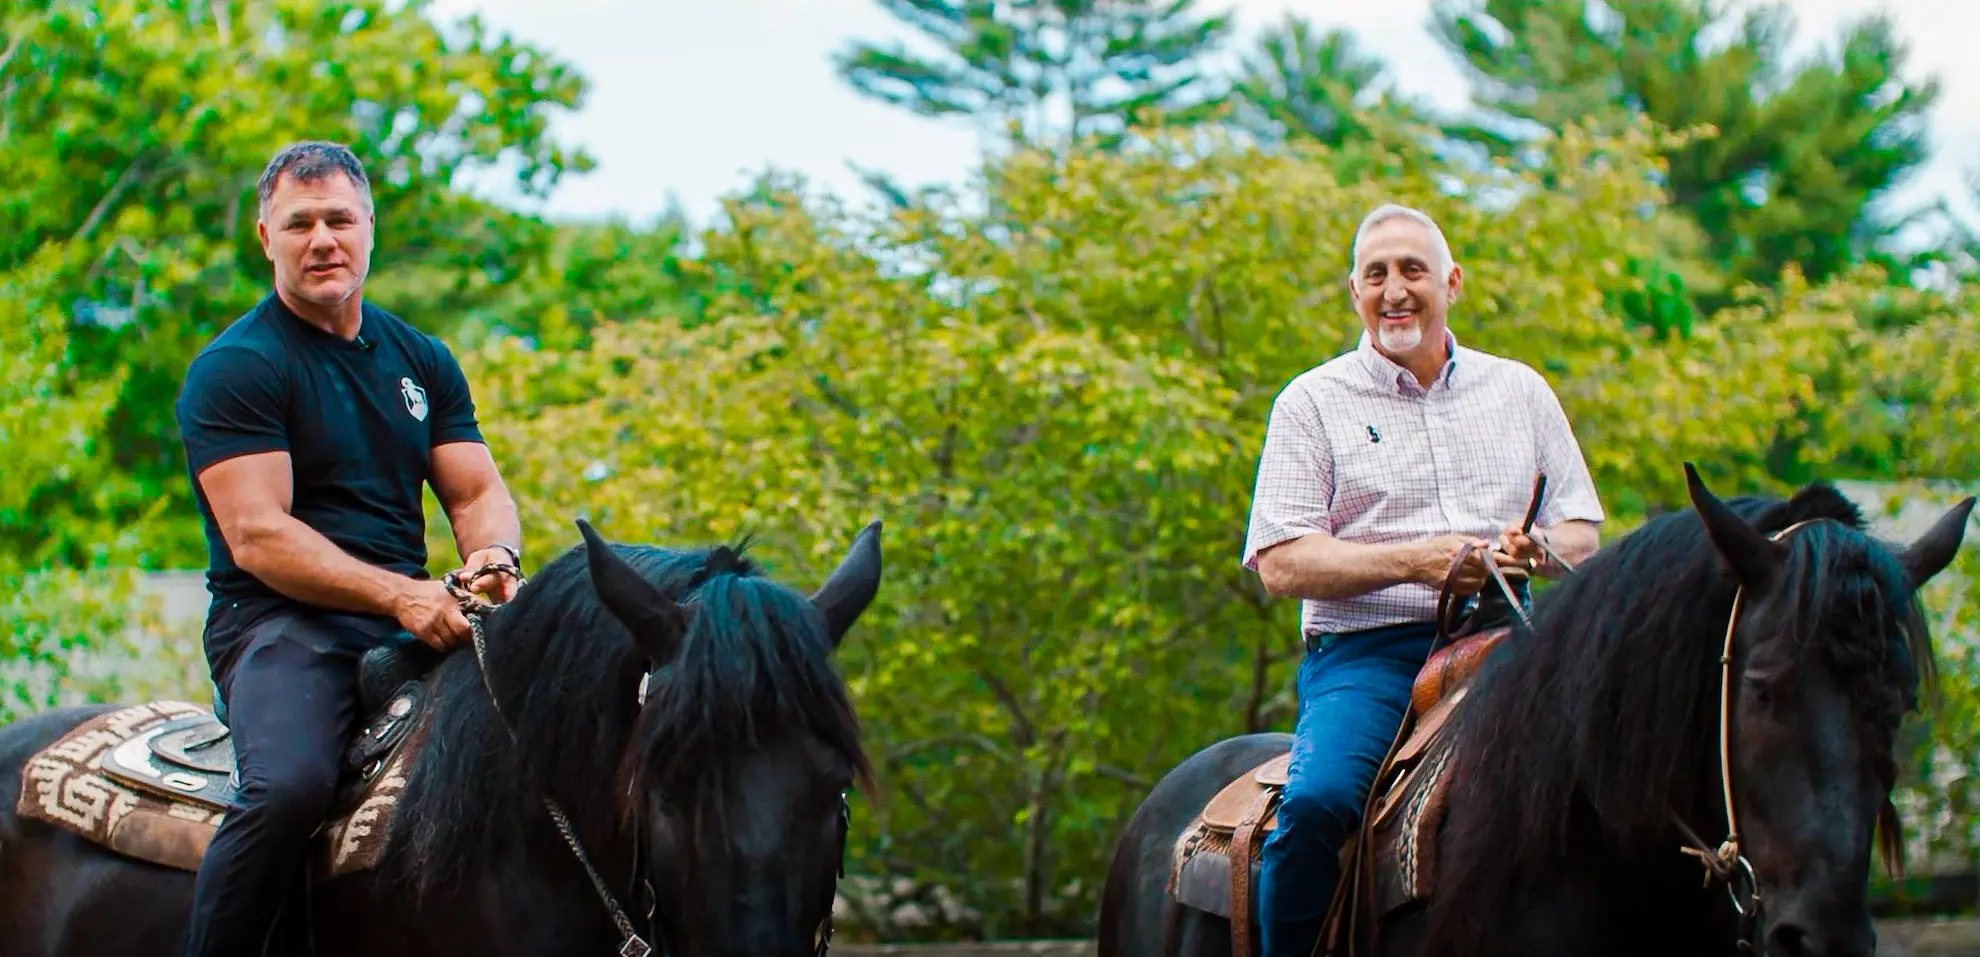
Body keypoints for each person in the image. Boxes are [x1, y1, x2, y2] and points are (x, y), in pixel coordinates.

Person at [172, 140, 524, 957]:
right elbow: (260, 537)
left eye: (339, 219)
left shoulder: (421, 358)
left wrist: (496, 560)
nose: (322, 240)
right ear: (266, 238)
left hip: (414, 620)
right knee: (287, 790)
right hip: (280, 628)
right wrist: (403, 595)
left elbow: (474, 493)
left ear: (371, 228)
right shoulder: (237, 367)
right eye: (300, 223)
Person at [1240, 202, 1605, 957]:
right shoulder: (1311, 402)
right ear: (1354, 293)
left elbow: (1583, 533)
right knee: (1314, 804)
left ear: (1452, 281)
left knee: (1622, 780)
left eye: (1413, 270)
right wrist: (1416, 558)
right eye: (1376, 275)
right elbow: (1281, 562)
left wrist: (1531, 548)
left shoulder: (1521, 391)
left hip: (1511, 641)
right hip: (1367, 657)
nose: (1395, 290)